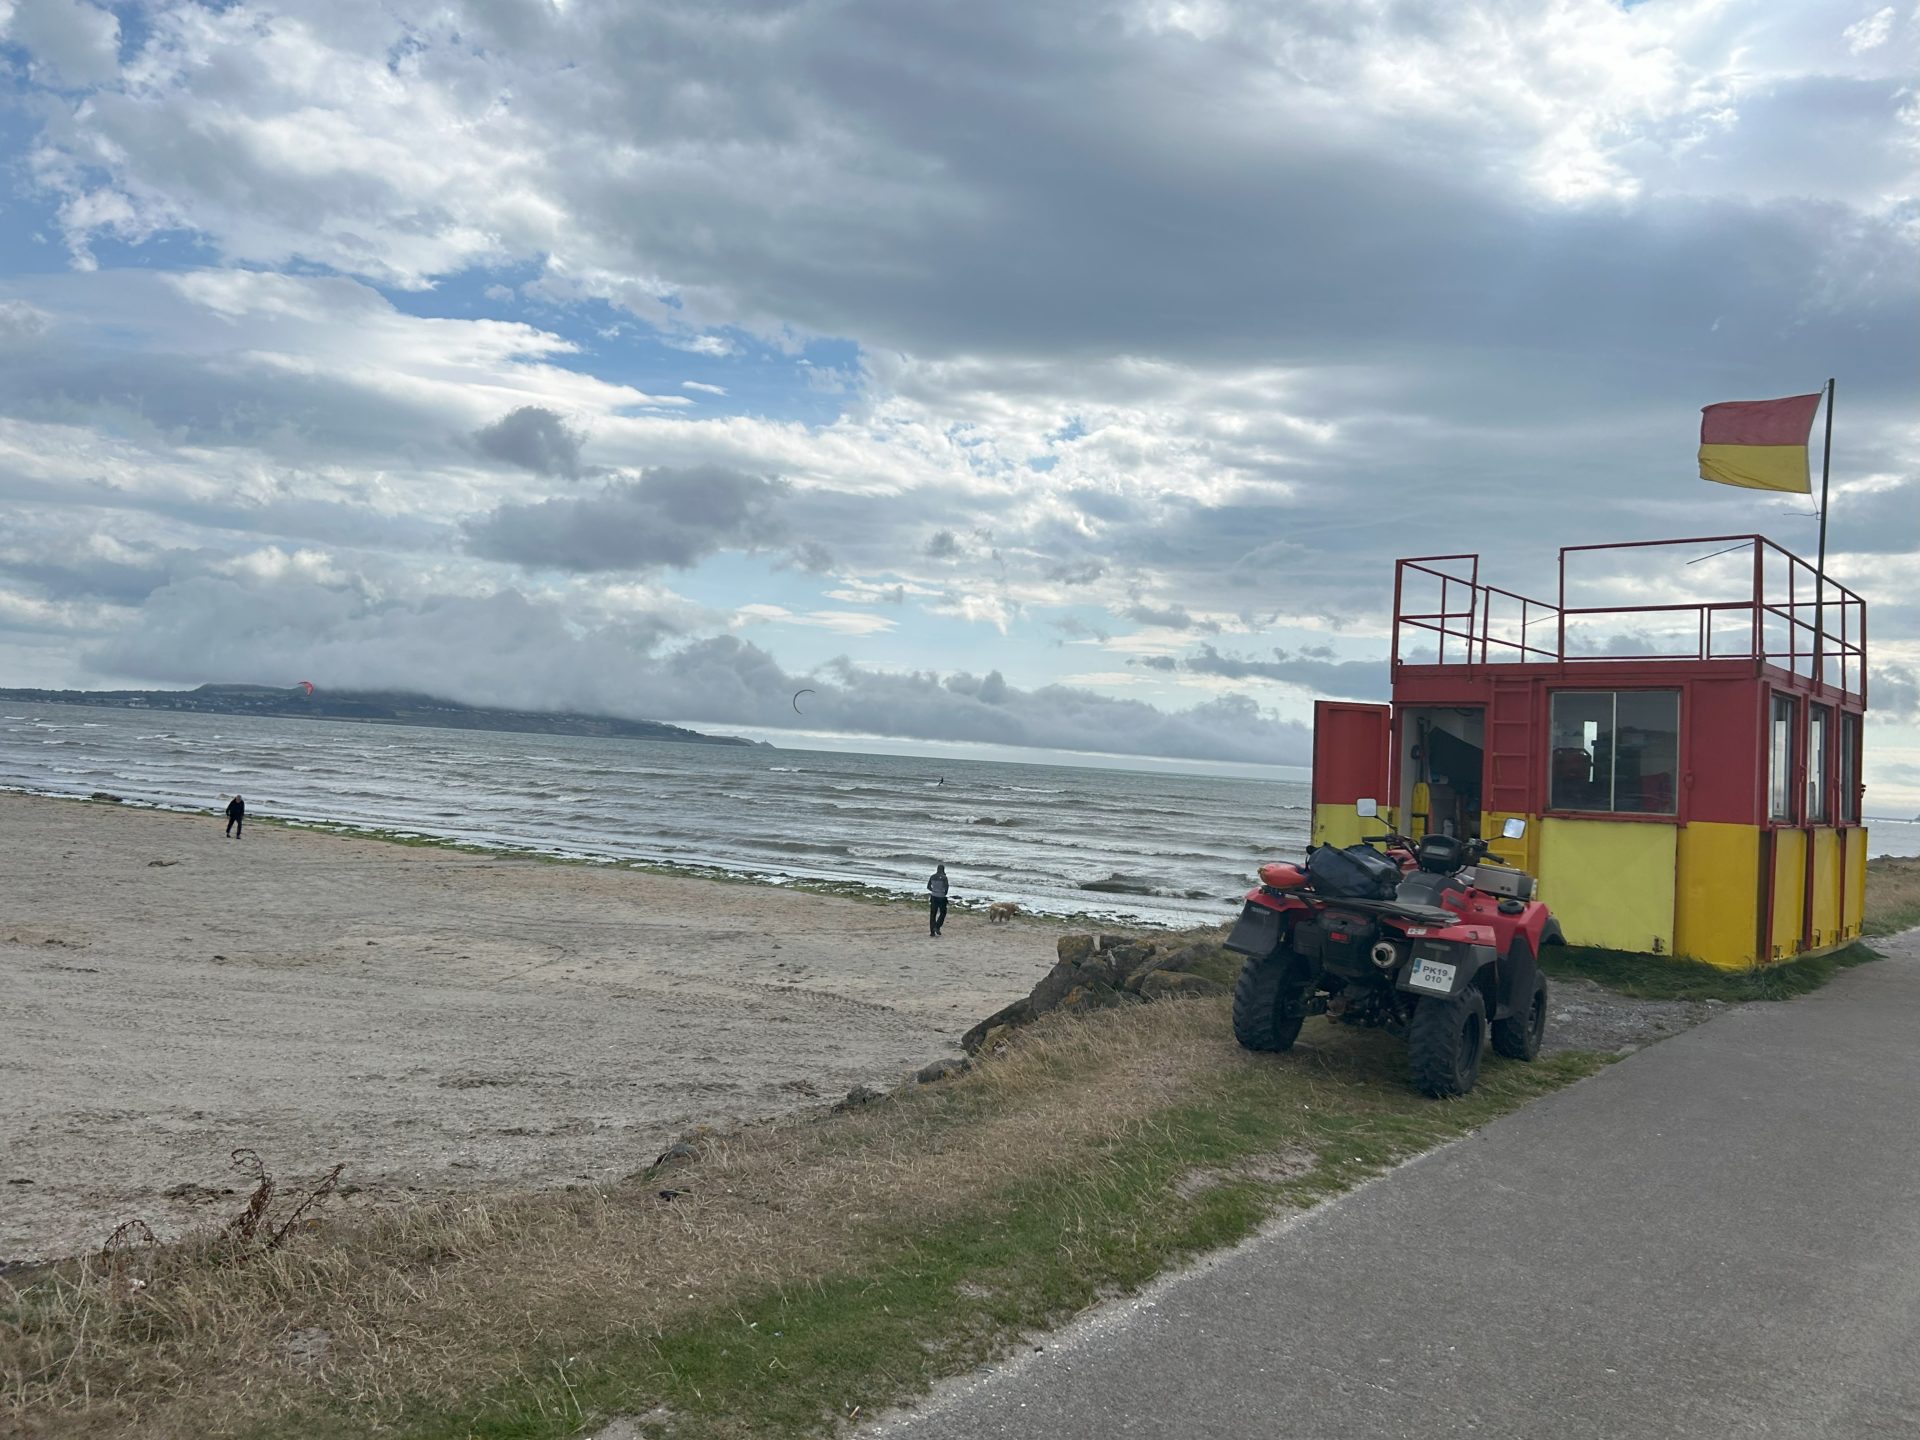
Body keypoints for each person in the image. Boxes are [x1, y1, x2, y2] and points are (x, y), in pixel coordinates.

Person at [926, 863, 950, 937]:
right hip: (941, 897)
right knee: (943, 912)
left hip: (933, 896)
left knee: (933, 914)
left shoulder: (932, 876)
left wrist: (934, 890)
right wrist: (944, 893)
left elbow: (928, 886)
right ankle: (937, 926)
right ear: (943, 870)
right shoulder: (944, 877)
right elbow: (946, 887)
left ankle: (932, 931)